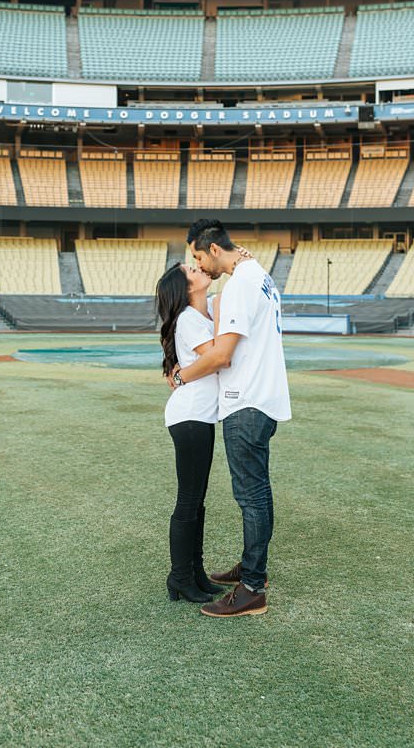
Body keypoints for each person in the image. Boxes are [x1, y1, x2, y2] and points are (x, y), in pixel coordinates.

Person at [170, 221, 289, 618]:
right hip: (265, 396)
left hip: (246, 400)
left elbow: (222, 356)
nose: (199, 265)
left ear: (213, 250)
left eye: (199, 257)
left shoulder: (239, 284)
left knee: (251, 496)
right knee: (258, 493)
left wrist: (180, 375)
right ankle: (252, 567)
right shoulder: (259, 276)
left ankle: (253, 586)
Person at [153, 262, 227, 604]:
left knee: (197, 501)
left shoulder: (203, 313)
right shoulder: (188, 319)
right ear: (186, 289)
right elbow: (217, 357)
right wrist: (181, 376)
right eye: (191, 271)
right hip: (190, 416)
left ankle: (195, 572)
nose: (199, 268)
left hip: (199, 416)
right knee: (188, 501)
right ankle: (180, 576)